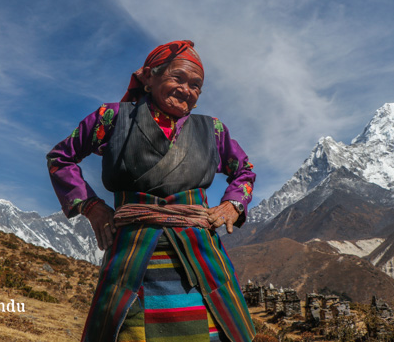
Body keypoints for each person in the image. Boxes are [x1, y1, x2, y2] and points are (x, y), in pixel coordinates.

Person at [47, 40, 256, 342]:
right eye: (178, 78)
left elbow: (244, 171)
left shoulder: (213, 131)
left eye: (196, 85)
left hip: (199, 254)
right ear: (148, 77)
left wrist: (232, 205)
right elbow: (60, 158)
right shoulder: (113, 118)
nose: (187, 89)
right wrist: (91, 206)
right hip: (133, 254)